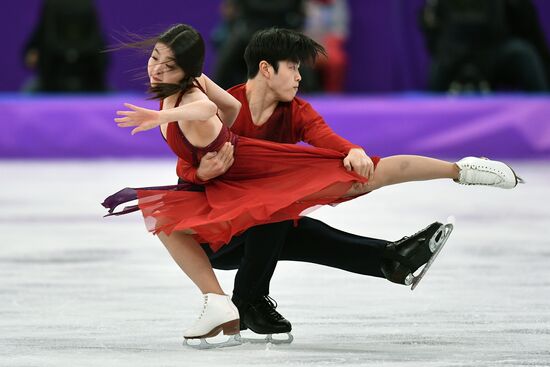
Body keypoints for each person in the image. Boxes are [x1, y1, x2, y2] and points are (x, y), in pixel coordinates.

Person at [103, 24, 521, 347]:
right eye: (294, 67)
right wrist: (203, 174)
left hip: (261, 216)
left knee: (295, 206)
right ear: (266, 69)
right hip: (219, 232)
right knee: (275, 210)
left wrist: (353, 150)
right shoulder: (220, 105)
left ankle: (414, 233)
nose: (300, 76)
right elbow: (192, 162)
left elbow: (325, 138)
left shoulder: (293, 110)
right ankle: (248, 300)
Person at [22, 0, 108, 92]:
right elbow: (31, 54)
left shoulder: (87, 9)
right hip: (49, 85)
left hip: (90, 85)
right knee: (29, 89)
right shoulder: (50, 12)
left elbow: (103, 59)